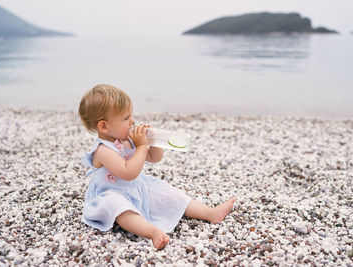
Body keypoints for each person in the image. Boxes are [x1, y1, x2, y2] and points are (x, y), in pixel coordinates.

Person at [78, 84, 236, 250]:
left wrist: (152, 142)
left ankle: (209, 213)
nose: (132, 122)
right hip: (110, 192)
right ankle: (152, 232)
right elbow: (128, 172)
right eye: (125, 118)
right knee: (119, 207)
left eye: (131, 116)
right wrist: (140, 147)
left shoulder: (127, 138)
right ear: (104, 126)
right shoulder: (103, 150)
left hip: (135, 187)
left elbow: (154, 158)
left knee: (168, 194)